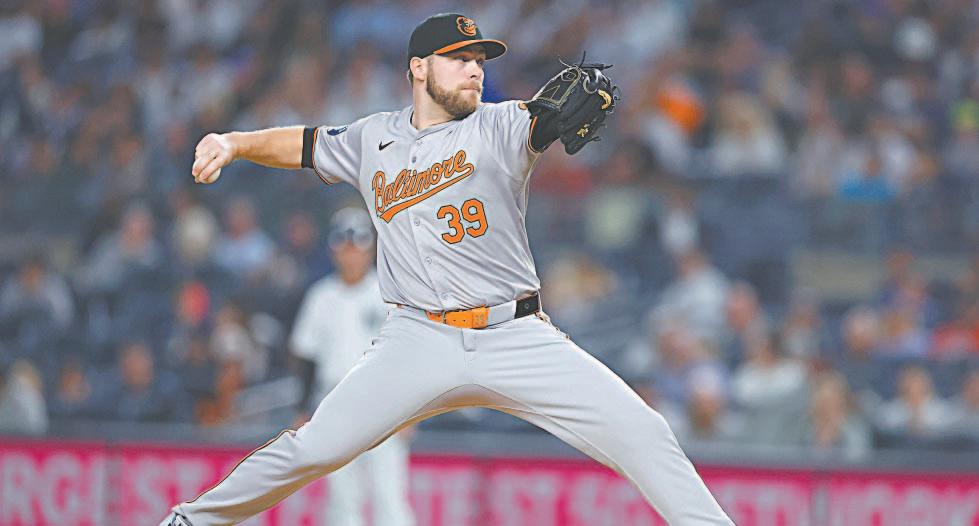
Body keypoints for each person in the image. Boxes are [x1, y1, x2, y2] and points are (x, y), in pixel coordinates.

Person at [162, 13, 732, 526]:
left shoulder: (501, 125)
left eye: (479, 60)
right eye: (459, 59)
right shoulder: (371, 137)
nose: (474, 70)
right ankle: (189, 521)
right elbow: (305, 144)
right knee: (313, 448)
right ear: (419, 67)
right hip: (417, 337)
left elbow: (538, 124)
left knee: (643, 432)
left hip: (515, 335)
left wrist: (551, 120)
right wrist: (234, 142)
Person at [290, 208, 414, 526]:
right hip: (334, 400)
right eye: (344, 248)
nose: (351, 255)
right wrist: (303, 409)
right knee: (343, 499)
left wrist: (412, 411)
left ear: (370, 250)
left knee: (389, 496)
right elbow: (307, 357)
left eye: (357, 247)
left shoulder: (389, 294)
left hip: (384, 404)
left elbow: (407, 357)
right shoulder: (321, 296)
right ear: (334, 251)